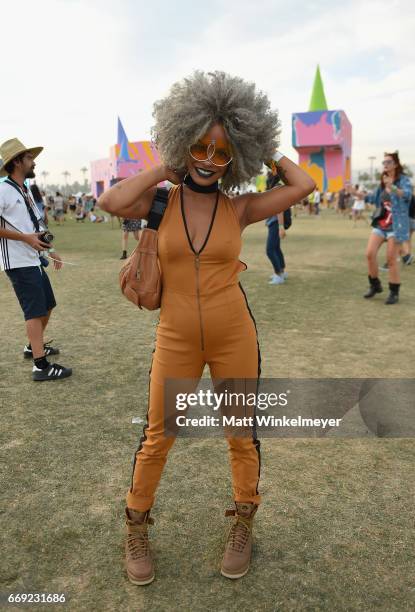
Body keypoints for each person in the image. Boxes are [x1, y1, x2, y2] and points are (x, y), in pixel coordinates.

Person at [99, 71, 315, 585]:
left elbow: (304, 185)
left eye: (222, 152)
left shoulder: (239, 209)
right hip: (174, 336)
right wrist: (162, 168)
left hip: (234, 335)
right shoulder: (160, 202)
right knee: (158, 436)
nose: (208, 160)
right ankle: (137, 526)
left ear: (233, 157)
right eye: (199, 146)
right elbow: (110, 203)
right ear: (183, 143)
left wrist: (261, 149)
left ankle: (243, 521)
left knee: (241, 434)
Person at [0, 138, 72, 380]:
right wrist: (25, 238)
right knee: (33, 311)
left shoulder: (24, 189)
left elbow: (35, 224)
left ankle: (33, 346)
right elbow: (25, 232)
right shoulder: (3, 189)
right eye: (29, 158)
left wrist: (49, 249)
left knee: (47, 304)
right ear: (17, 162)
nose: (34, 161)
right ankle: (40, 366)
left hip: (32, 257)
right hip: (18, 261)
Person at [364, 152, 412, 304]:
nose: (385, 164)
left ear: (395, 164)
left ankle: (394, 291)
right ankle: (375, 285)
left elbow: (407, 195)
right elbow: (373, 198)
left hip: (396, 226)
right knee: (369, 254)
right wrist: (356, 193)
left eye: (388, 162)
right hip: (381, 224)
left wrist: (393, 187)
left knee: (391, 258)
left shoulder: (403, 180)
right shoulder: (382, 182)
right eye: (383, 162)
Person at [265, 171, 287, 285]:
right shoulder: (275, 186)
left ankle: (278, 274)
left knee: (270, 250)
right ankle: (282, 271)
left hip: (275, 223)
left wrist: (281, 227)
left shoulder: (276, 187)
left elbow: (280, 208)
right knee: (276, 248)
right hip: (273, 222)